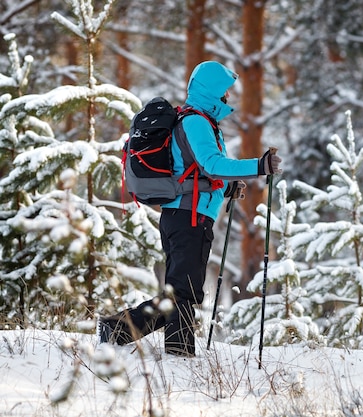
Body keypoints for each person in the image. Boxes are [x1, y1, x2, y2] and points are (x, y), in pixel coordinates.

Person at [98, 61, 282, 357]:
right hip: (188, 218)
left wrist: (226, 186)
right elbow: (211, 164)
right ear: (211, 92)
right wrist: (258, 166)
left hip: (185, 216)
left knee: (183, 291)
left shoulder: (199, 121)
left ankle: (120, 330)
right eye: (225, 92)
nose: (228, 98)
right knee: (182, 292)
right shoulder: (195, 122)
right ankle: (175, 352)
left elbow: (199, 172)